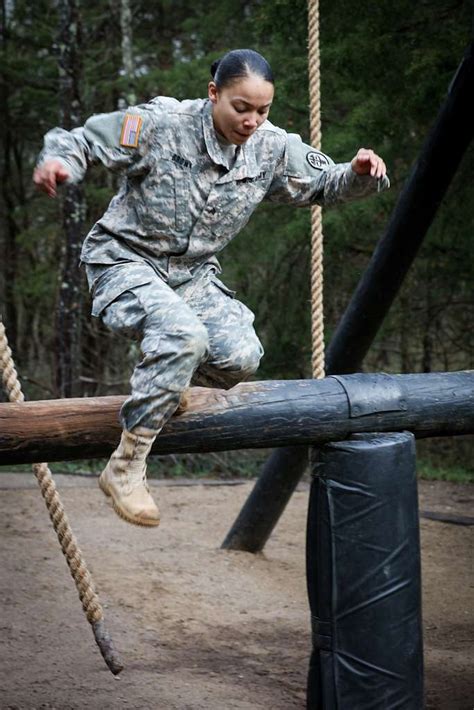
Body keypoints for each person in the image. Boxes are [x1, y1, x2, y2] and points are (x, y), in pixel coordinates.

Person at [34, 48, 389, 528]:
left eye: (262, 110)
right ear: (213, 93)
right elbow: (80, 140)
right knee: (183, 336)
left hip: (191, 276)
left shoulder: (272, 147)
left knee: (241, 356)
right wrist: (59, 163)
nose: (252, 120)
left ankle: (166, 388)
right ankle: (126, 466)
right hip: (125, 261)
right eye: (241, 108)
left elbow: (325, 182)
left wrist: (359, 173)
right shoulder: (162, 124)